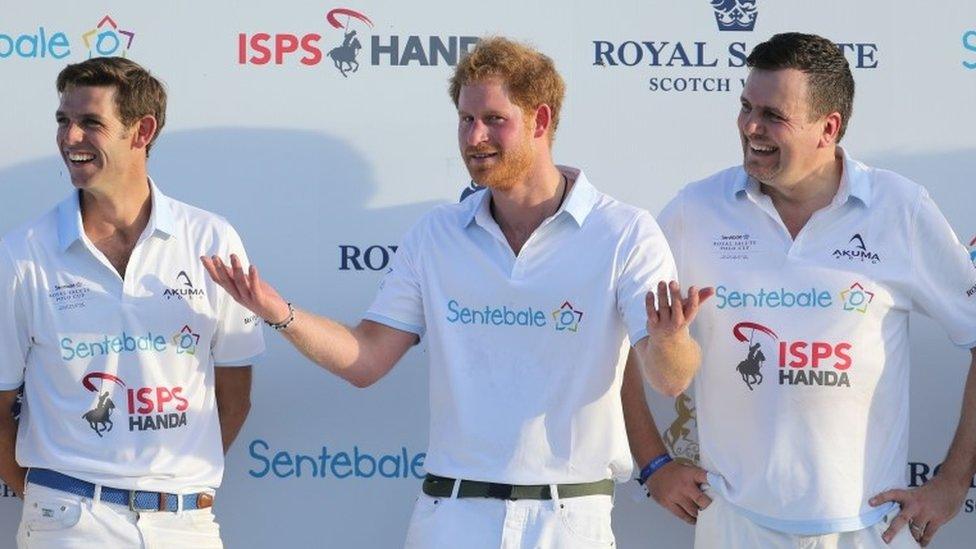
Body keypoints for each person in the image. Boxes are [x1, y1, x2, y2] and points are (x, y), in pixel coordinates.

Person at [202, 36, 710, 547]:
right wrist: (277, 310)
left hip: (569, 517)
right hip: (451, 516)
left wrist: (669, 340)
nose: (475, 136)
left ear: (539, 121)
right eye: (466, 120)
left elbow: (670, 380)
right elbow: (366, 360)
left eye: (493, 119)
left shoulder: (623, 232)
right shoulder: (436, 234)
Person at [623, 32, 976, 548]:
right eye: (746, 107)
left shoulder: (899, 210)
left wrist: (952, 482)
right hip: (732, 525)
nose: (750, 127)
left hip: (865, 529)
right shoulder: (696, 210)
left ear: (827, 128)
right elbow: (619, 340)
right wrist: (652, 462)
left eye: (773, 115)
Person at [0, 56, 264, 547]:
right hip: (67, 520)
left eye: (90, 123)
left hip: (186, 523)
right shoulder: (22, 254)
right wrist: (50, 500)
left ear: (141, 131)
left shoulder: (211, 239)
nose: (70, 137)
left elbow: (235, 396)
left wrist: (178, 481)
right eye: (63, 121)